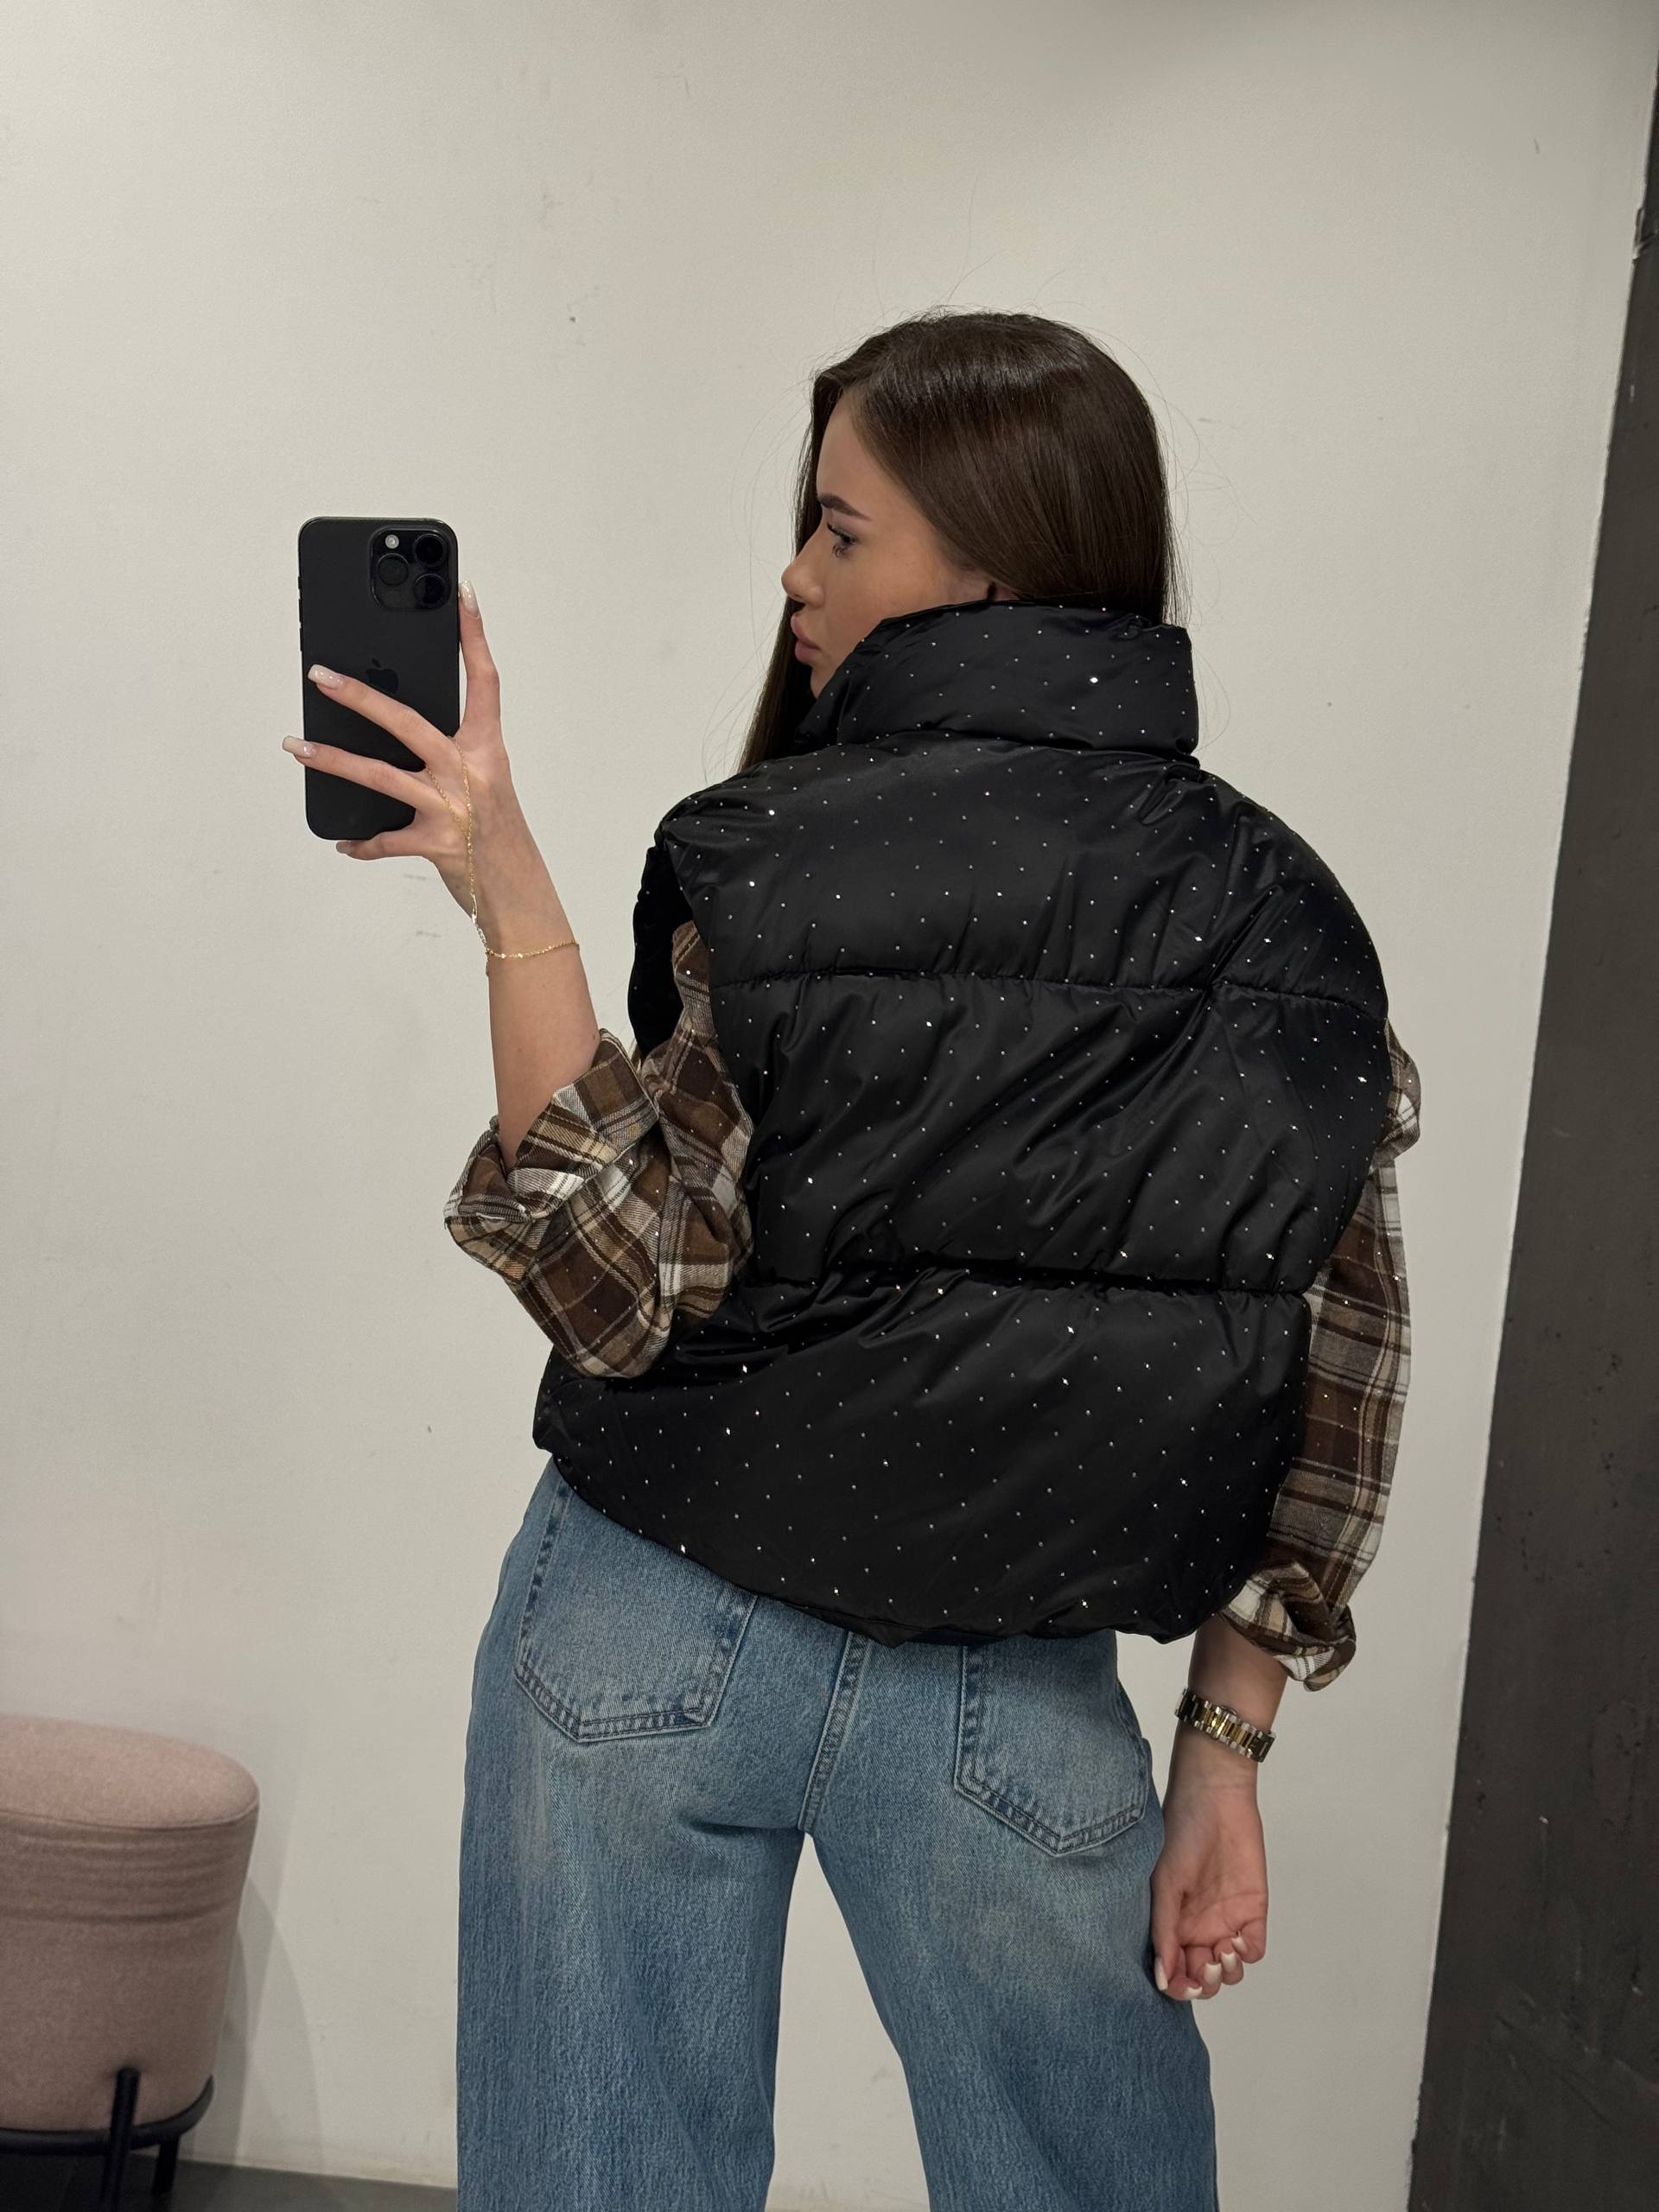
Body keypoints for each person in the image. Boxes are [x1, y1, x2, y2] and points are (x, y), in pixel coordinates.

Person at [285, 308, 1418, 2212]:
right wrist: (1226, 1742)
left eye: (838, 529)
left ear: (989, 559)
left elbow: (619, 1291)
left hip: (648, 1614)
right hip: (1011, 1680)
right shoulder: (1291, 918)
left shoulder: (767, 851)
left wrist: (511, 892)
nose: (795, 579)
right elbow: (1341, 1380)